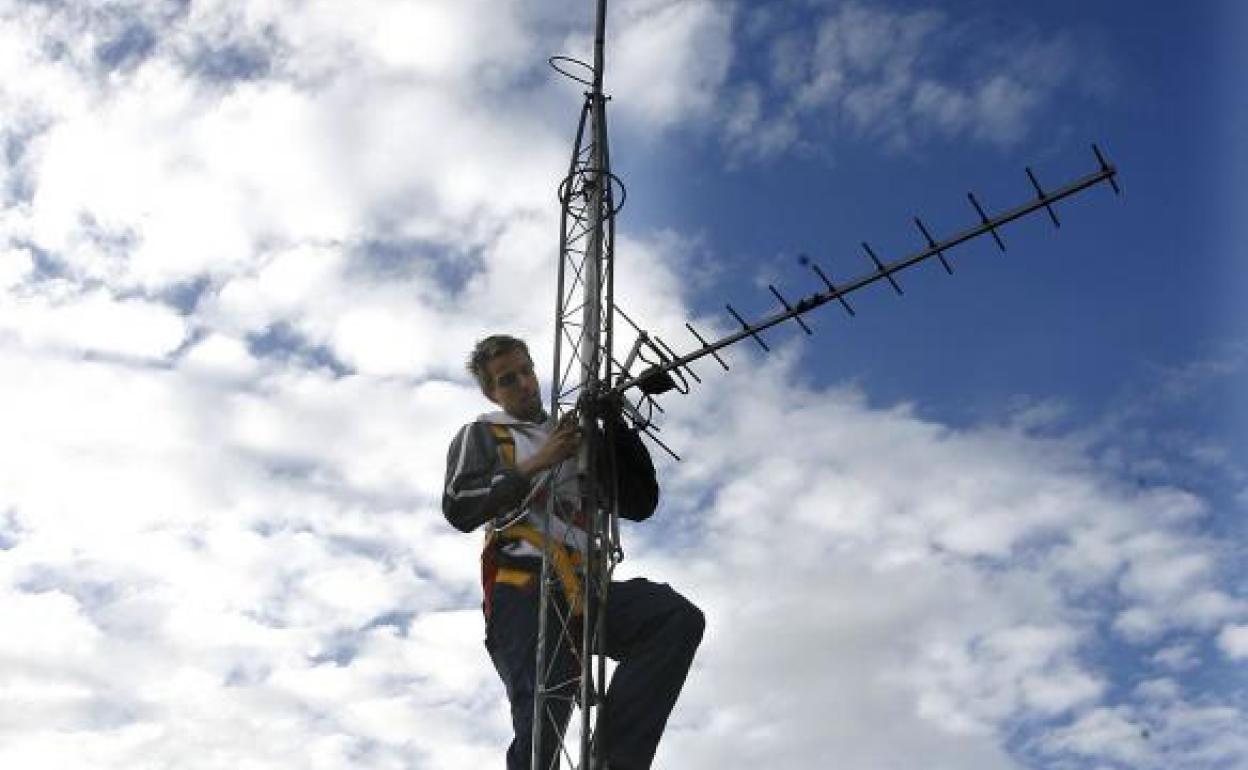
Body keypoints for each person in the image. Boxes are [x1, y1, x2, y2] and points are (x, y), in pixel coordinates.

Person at [443, 334, 704, 770]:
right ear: (492, 392)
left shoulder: (572, 435)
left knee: (672, 617)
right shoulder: (485, 433)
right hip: (523, 589)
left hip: (584, 587)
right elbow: (459, 505)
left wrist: (613, 426)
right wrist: (539, 461)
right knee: (545, 712)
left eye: (526, 371)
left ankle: (614, 762)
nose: (524, 384)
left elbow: (640, 502)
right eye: (508, 380)